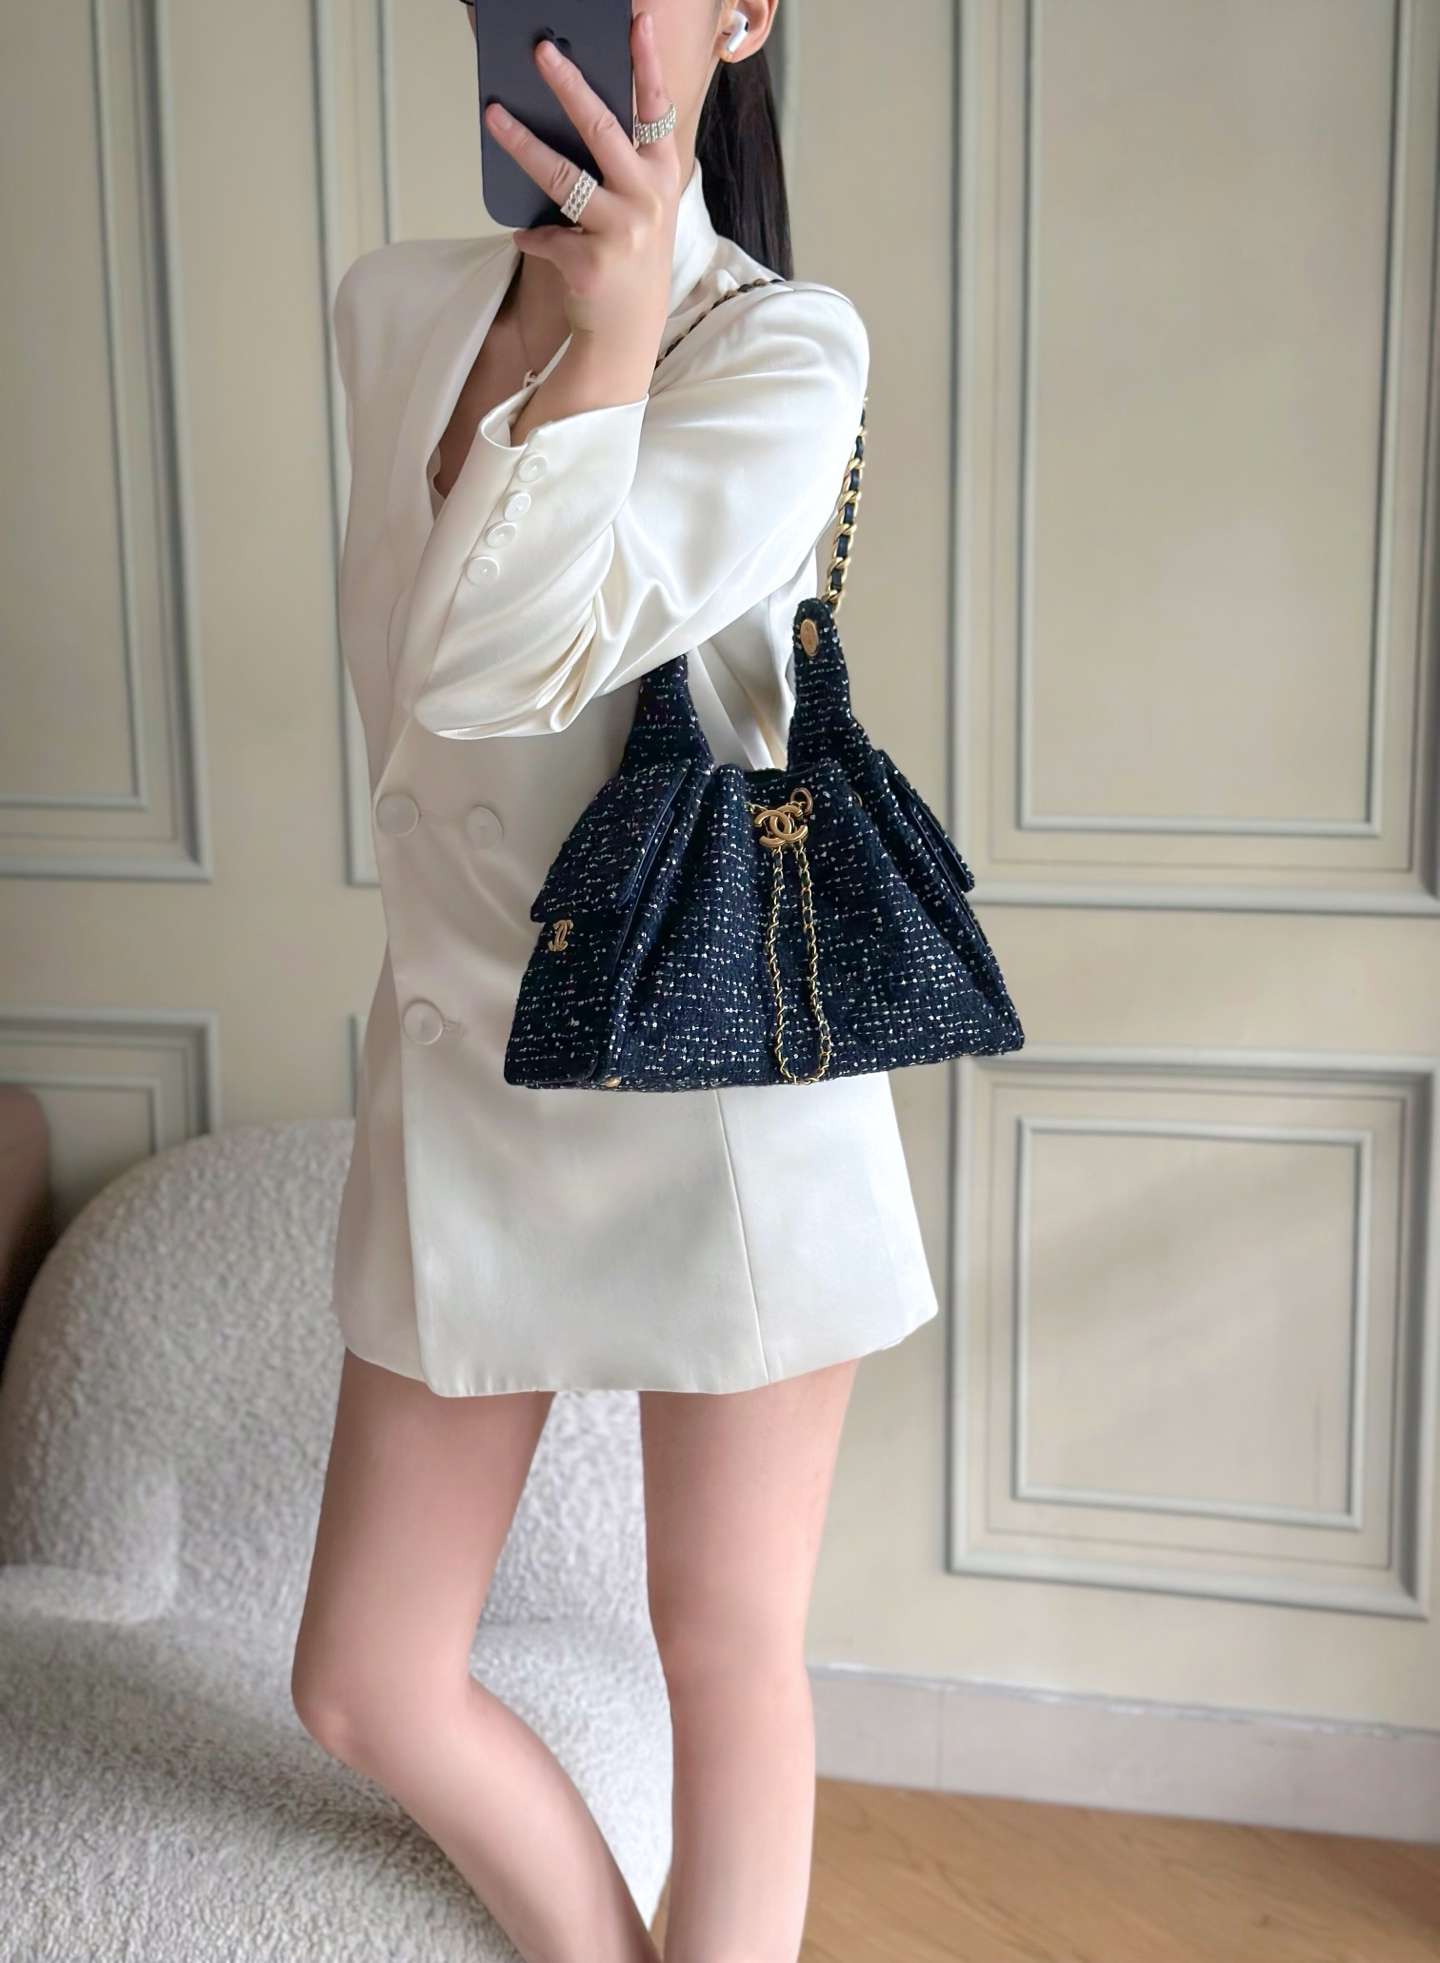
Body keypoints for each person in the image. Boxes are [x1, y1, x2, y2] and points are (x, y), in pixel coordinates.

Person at [290, 5, 939, 1957]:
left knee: (724, 1644)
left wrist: (619, 333)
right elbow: (425, 696)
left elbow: (511, 659)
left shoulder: (785, 350)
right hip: (461, 1071)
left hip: (719, 1083)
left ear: (743, 13)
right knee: (364, 1678)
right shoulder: (396, 304)